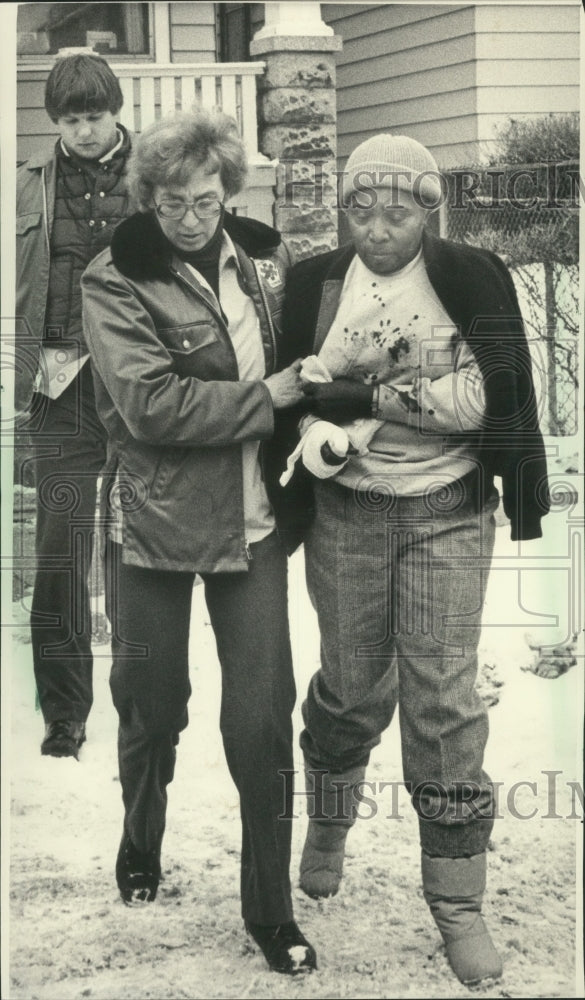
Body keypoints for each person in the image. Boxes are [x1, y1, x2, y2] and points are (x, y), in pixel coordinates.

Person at [280, 133, 549, 985]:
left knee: (441, 701)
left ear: (428, 211)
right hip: (346, 511)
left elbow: (479, 400)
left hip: (446, 510)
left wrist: (362, 397)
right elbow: (298, 389)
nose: (376, 228)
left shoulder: (468, 278)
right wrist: (324, 422)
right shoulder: (314, 284)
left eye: (396, 211)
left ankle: (457, 905)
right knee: (352, 685)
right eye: (359, 209)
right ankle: (328, 822)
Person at [80, 108, 317, 975]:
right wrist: (275, 396)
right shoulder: (114, 279)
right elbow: (148, 407)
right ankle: (141, 838)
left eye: (206, 199)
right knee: (152, 700)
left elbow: (303, 346)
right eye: (173, 202)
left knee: (261, 719)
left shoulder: (261, 260)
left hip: (252, 523)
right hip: (153, 523)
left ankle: (271, 912)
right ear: (148, 199)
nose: (190, 218)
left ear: (227, 192)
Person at [15, 54, 133, 760]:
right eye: (70, 120)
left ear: (115, 110)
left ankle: (142, 697)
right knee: (61, 548)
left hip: (141, 386)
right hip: (59, 390)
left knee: (136, 543)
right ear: (54, 122)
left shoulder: (161, 177)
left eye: (95, 116)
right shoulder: (27, 190)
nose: (85, 132)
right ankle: (64, 712)